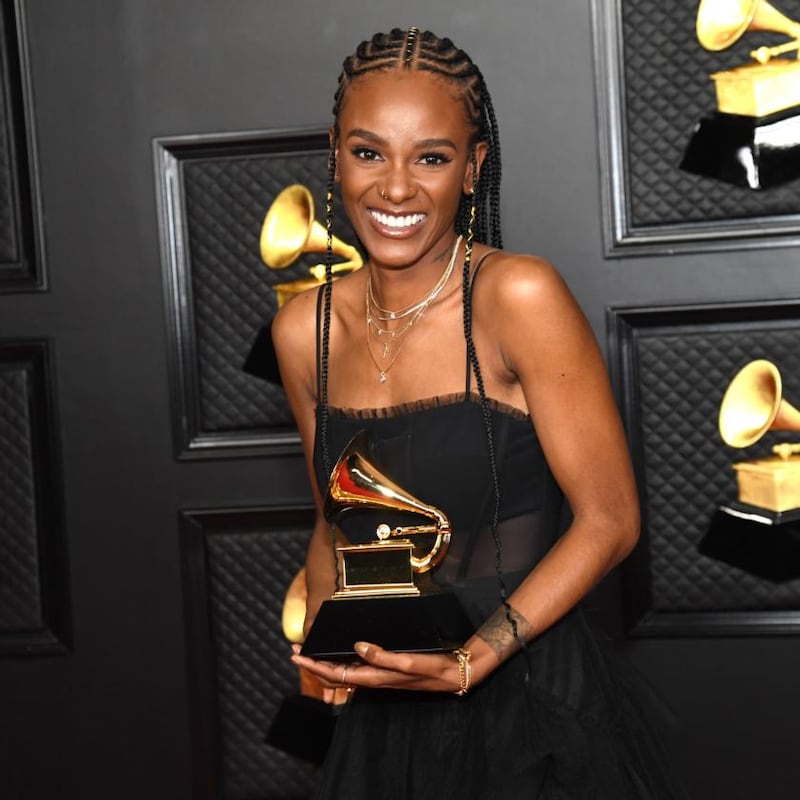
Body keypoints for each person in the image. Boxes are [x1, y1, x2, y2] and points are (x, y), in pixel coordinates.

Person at [272, 27, 685, 799]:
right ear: (334, 154)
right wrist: (320, 666)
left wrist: (473, 660)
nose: (396, 189)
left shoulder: (517, 297)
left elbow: (611, 519)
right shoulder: (303, 332)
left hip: (529, 703)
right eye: (368, 153)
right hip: (387, 710)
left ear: (473, 169)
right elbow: (332, 523)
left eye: (431, 157)